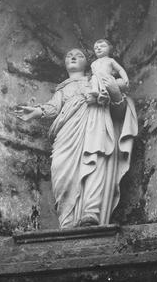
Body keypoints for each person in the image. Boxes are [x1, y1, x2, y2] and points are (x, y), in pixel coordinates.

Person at [16, 48, 137, 228]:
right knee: (60, 168)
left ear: (87, 62)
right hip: (67, 131)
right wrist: (37, 111)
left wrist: (113, 92)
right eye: (69, 55)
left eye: (79, 55)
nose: (73, 57)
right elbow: (54, 108)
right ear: (64, 63)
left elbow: (119, 112)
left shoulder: (95, 79)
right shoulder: (63, 88)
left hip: (95, 124)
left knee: (95, 160)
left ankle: (91, 212)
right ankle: (67, 221)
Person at [90, 39, 129, 105]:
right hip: (97, 80)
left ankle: (104, 94)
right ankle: (96, 90)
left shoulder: (110, 60)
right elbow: (93, 73)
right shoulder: (93, 63)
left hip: (107, 79)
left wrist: (125, 78)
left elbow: (120, 69)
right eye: (96, 48)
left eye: (103, 46)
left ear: (109, 49)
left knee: (120, 83)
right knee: (94, 77)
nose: (99, 48)